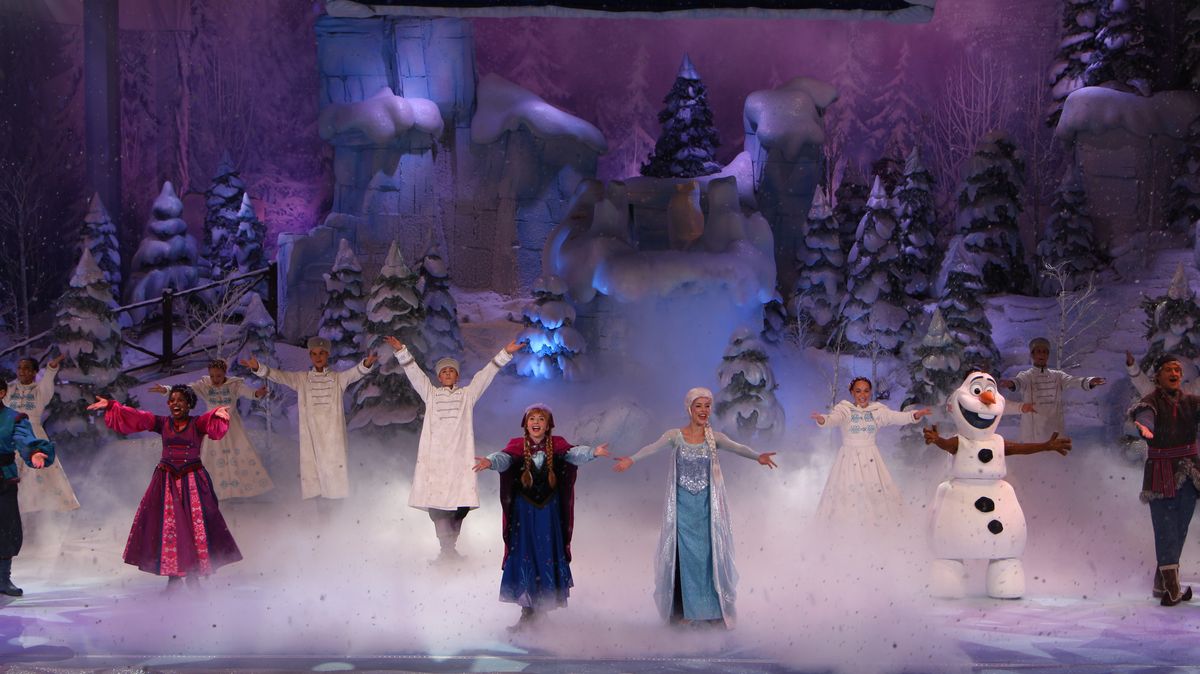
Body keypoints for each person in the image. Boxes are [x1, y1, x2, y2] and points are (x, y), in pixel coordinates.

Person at [613, 387, 777, 629]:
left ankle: (709, 612)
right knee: (684, 559)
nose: (703, 410)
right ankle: (683, 612)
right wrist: (631, 459)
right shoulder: (675, 436)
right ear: (689, 409)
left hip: (706, 511)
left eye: (707, 406)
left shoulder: (714, 438)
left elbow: (737, 447)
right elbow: (652, 447)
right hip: (682, 510)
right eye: (698, 406)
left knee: (708, 559)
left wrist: (758, 457)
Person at [88, 387, 241, 590]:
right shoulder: (162, 423)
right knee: (169, 528)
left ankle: (193, 575)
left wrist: (216, 414)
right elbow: (139, 417)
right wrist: (112, 405)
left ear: (189, 404)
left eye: (180, 400)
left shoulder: (196, 423)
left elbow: (207, 421)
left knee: (195, 528)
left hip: (192, 481)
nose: (175, 403)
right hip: (167, 481)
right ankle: (174, 578)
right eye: (172, 400)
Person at [385, 335, 521, 560]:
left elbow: (484, 376)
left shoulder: (467, 396)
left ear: (457, 376)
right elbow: (415, 374)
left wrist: (505, 353)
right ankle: (445, 551)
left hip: (459, 461)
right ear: (439, 377)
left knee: (460, 505)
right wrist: (401, 351)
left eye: (451, 371)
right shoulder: (431, 395)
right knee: (437, 506)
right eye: (444, 372)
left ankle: (450, 548)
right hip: (436, 461)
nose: (447, 374)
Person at [473, 404, 609, 630]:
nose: (536, 422)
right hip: (524, 514)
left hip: (548, 512)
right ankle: (527, 613)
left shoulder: (558, 445)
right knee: (525, 553)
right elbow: (504, 458)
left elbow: (574, 454)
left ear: (548, 425)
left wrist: (593, 452)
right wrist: (490, 461)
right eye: (532, 419)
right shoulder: (517, 445)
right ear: (526, 424)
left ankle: (542, 611)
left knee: (546, 553)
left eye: (541, 419)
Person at [240, 337, 377, 500]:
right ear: (310, 356)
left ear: (327, 355)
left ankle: (336, 506)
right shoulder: (302, 379)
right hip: (311, 436)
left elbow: (355, 373)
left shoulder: (338, 379)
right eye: (314, 354)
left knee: (334, 470)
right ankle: (320, 509)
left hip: (333, 436)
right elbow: (279, 376)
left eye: (321, 353)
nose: (318, 357)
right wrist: (259, 368)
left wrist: (367, 363)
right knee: (314, 473)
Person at [810, 377, 931, 527]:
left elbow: (895, 417)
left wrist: (914, 415)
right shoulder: (845, 409)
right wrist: (822, 419)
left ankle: (875, 527)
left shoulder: (877, 411)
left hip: (871, 459)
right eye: (858, 391)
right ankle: (848, 527)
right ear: (852, 392)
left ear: (870, 392)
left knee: (875, 492)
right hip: (849, 459)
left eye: (866, 391)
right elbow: (833, 419)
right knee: (847, 493)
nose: (863, 395)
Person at [1130, 354, 1200, 606]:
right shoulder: (1151, 402)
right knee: (1165, 530)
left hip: (1189, 473)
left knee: (1179, 530)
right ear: (1158, 375)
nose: (1174, 374)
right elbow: (1145, 415)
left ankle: (1161, 584)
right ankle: (1172, 589)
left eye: (1178, 370)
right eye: (1169, 370)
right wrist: (1145, 426)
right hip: (1161, 474)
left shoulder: (1191, 402)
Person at [150, 359, 273, 500]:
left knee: (239, 453)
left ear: (224, 373)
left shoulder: (234, 385)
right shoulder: (205, 385)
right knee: (212, 456)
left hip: (232, 426)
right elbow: (185, 390)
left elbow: (249, 393)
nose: (215, 379)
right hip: (213, 425)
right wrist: (166, 390)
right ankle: (215, 492)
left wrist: (257, 393)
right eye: (212, 375)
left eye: (218, 376)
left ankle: (244, 489)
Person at [0, 378, 55, 596]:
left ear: (1, 393)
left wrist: (34, 452)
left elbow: (24, 439)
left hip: (3, 480)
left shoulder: (13, 418)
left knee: (5, 530)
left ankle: (3, 579)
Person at [6, 353, 79, 513]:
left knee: (37, 474)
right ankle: (15, 510)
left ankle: (38, 511)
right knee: (11, 474)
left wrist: (51, 368)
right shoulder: (10, 389)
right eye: (19, 368)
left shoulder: (40, 391)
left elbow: (47, 379)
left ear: (34, 372)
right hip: (10, 435)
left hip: (33, 434)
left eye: (26, 368)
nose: (22, 371)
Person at [999, 337, 1105, 443]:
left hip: (1053, 427)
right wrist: (1010, 383)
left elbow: (1073, 381)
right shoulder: (1026, 376)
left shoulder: (1058, 376)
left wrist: (1089, 381)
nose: (1042, 355)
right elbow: (1018, 382)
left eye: (1045, 352)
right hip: (1032, 431)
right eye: (1038, 351)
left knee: (1054, 450)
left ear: (1048, 355)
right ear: (1032, 355)